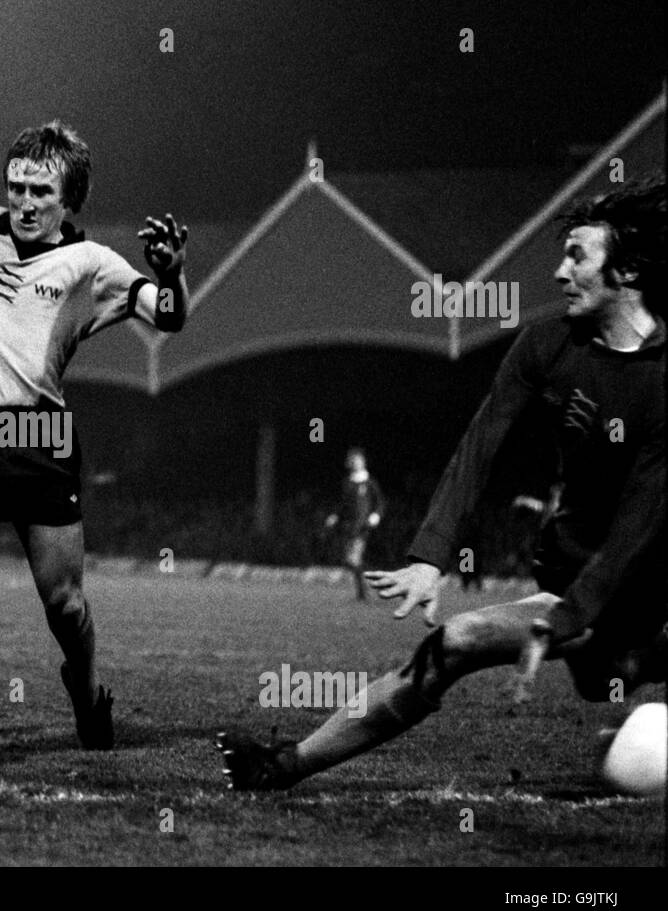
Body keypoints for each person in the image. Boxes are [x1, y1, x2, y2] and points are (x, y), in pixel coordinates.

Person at [218, 176, 666, 789]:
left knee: (625, 664)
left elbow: (642, 520)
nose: (560, 272)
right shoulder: (547, 345)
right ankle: (286, 764)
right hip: (571, 586)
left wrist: (573, 616)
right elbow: (478, 448)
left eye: (578, 255)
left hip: (644, 590)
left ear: (629, 271)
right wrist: (430, 556)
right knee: (454, 640)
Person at [0, 120, 190, 749]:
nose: (23, 201)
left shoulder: (93, 264)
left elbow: (170, 316)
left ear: (68, 200)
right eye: (16, 186)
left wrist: (175, 272)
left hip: (36, 434)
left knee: (65, 604)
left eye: (40, 192)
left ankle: (89, 690)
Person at [323, 447, 384, 600]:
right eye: (353, 461)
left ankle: (371, 584)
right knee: (350, 560)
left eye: (358, 461)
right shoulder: (348, 483)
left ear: (363, 462)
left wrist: (376, 515)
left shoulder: (370, 482)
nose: (356, 463)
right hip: (349, 526)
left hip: (363, 527)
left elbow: (380, 503)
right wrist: (335, 516)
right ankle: (363, 591)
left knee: (353, 559)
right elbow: (343, 504)